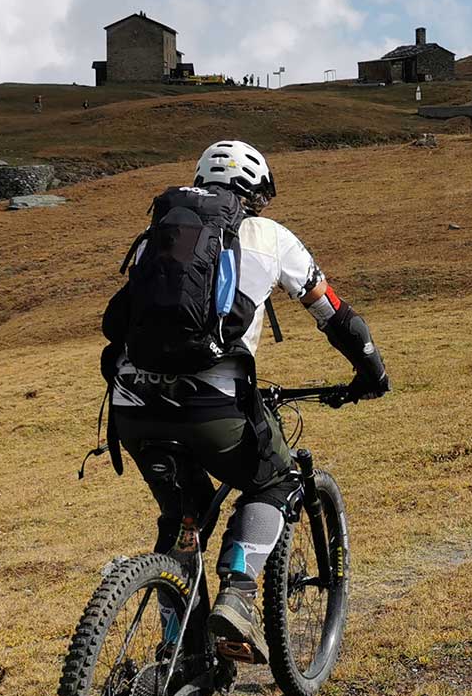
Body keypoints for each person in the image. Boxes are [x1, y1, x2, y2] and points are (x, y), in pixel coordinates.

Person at [100, 140, 390, 661]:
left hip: (133, 405)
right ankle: (238, 594)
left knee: (182, 516)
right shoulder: (270, 237)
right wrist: (371, 370)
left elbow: (120, 322)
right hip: (211, 406)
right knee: (274, 478)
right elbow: (334, 313)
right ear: (257, 191)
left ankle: (180, 651)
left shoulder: (158, 238)